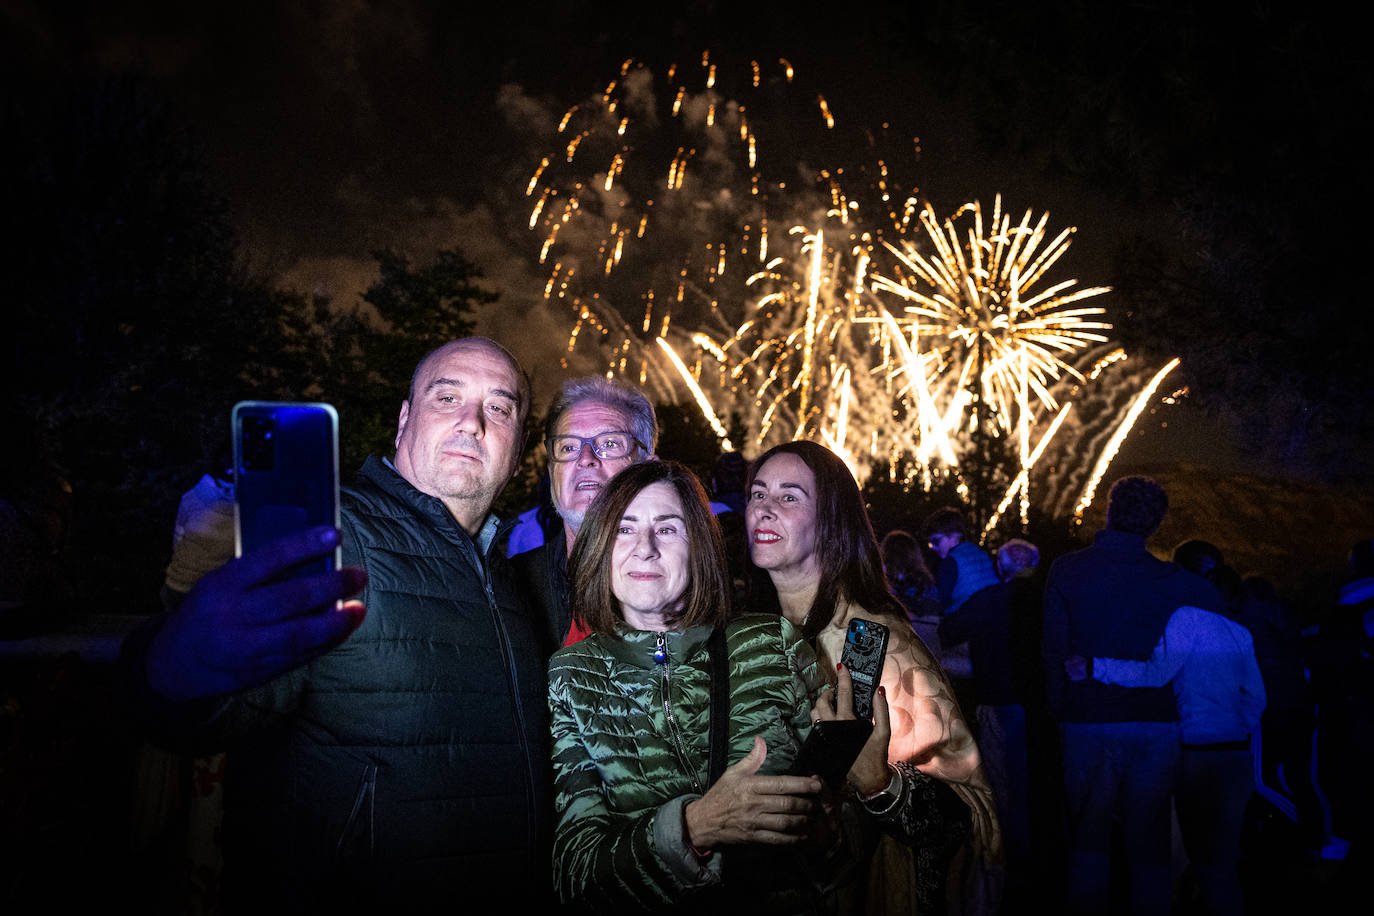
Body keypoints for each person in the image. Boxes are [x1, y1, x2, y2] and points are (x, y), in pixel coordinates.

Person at [120, 337, 553, 909]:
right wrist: (173, 663)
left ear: (519, 447)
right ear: (404, 421)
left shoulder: (510, 574)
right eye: (447, 397)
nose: (472, 421)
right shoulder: (334, 534)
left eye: (499, 408)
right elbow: (205, 711)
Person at [548, 459, 880, 912]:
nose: (644, 548)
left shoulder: (772, 643)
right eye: (624, 529)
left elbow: (844, 829)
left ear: (698, 546)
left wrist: (833, 831)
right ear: (600, 547)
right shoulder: (571, 675)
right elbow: (574, 874)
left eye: (666, 529)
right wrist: (694, 826)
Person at [747, 440, 1000, 915]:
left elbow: (969, 812)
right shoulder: (743, 634)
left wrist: (880, 783)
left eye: (789, 497)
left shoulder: (872, 644)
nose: (764, 509)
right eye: (758, 494)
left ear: (832, 520)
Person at [1042, 475, 1225, 916]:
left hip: (1086, 719)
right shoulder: (1181, 585)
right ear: (1156, 524)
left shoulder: (1068, 570)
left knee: (1087, 836)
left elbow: (1052, 651)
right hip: (1157, 723)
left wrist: (1058, 712)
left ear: (1109, 509)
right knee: (1149, 836)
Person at [1065, 600, 1267, 916]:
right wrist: (1233, 728)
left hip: (1197, 754)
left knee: (1181, 858)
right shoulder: (1238, 630)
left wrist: (1093, 666)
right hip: (1235, 754)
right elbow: (1257, 696)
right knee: (1222, 864)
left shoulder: (1187, 616)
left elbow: (1156, 673)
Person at [509, 375, 657, 649]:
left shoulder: (685, 587)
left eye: (610, 444)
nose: (586, 458)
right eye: (568, 447)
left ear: (648, 466)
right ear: (552, 470)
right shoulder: (509, 586)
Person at [937, 538, 1041, 904]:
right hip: (1041, 706)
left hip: (999, 699)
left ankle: (1004, 862)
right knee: (1032, 782)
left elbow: (948, 631)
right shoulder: (1045, 598)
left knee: (1001, 783)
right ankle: (1031, 861)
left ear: (1001, 566)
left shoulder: (990, 600)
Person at [921, 506, 998, 616]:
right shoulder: (981, 553)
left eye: (936, 541)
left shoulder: (950, 563)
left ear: (954, 536)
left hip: (966, 623)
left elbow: (943, 603)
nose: (932, 547)